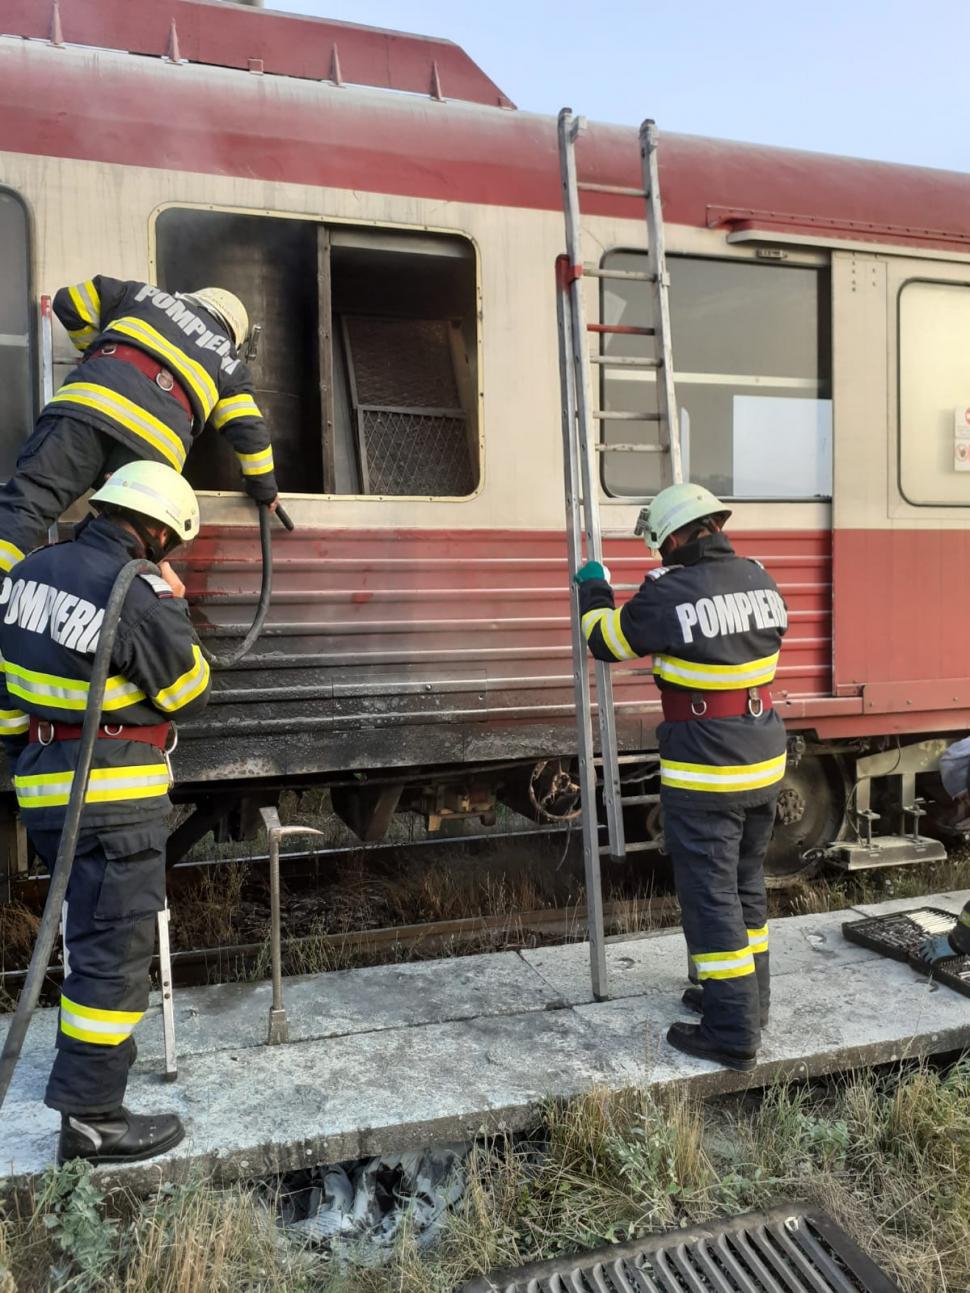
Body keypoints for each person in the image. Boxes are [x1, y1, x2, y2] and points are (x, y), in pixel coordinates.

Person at [0, 461, 211, 1164]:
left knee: (85, 938)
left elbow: (8, 696)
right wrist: (174, 603)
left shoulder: (27, 573)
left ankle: (92, 1073)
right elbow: (189, 690)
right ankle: (93, 1121)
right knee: (112, 959)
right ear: (158, 533)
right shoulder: (138, 590)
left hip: (46, 795)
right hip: (115, 800)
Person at [574, 482, 788, 1072]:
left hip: (707, 769)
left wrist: (594, 588)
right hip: (764, 758)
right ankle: (749, 1002)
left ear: (671, 539)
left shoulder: (669, 592)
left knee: (711, 898)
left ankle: (732, 1033)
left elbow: (605, 640)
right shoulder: (761, 578)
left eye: (658, 545)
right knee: (745, 886)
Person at [0, 278, 277, 573]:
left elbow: (70, 302)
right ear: (234, 336)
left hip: (90, 406)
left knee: (29, 503)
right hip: (151, 451)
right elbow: (250, 431)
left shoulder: (141, 295)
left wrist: (95, 352)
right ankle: (92, 594)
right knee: (124, 537)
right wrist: (264, 489)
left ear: (194, 298)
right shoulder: (229, 362)